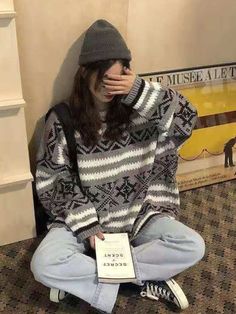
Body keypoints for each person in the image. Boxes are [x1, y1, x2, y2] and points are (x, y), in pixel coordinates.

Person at [31, 19, 205, 314]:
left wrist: (139, 91)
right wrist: (87, 227)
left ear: (127, 74)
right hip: (84, 224)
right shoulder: (63, 119)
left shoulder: (146, 108)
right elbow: (52, 180)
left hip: (138, 216)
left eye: (117, 79)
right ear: (84, 74)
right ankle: (143, 279)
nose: (108, 88)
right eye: (102, 79)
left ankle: (88, 281)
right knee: (43, 263)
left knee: (192, 245)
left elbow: (188, 120)